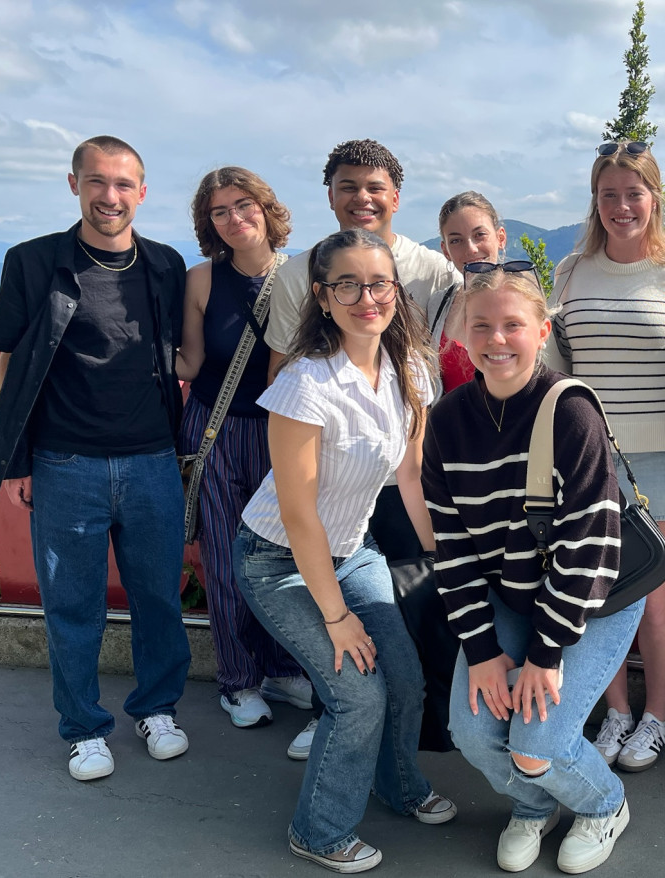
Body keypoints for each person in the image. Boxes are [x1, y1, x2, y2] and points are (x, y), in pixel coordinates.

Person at [234, 229, 455, 873]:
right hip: (278, 560)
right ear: (323, 297)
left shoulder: (411, 369)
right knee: (358, 695)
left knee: (406, 677)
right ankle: (321, 830)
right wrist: (336, 616)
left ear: (397, 290)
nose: (367, 297)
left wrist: (444, 555)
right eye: (348, 285)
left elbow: (411, 479)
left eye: (379, 283)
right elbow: (300, 516)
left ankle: (398, 784)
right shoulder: (305, 384)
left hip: (351, 550)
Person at [0, 135, 191, 781]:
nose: (110, 196)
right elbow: (11, 362)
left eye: (124, 184)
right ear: (74, 185)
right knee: (72, 604)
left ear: (142, 193)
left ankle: (157, 709)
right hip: (65, 461)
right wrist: (14, 459)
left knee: (159, 597)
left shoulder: (164, 265)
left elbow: (180, 351)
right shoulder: (35, 261)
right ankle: (84, 729)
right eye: (97, 181)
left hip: (153, 458)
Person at [423, 266, 642, 874]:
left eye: (513, 325)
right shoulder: (445, 423)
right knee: (471, 729)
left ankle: (604, 803)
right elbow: (454, 547)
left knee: (538, 738)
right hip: (510, 595)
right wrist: (484, 648)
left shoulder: (568, 411)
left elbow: (589, 543)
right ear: (462, 338)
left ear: (541, 331)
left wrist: (545, 656)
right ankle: (535, 802)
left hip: (594, 598)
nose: (497, 339)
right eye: (482, 325)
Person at [264, 139, 458, 757]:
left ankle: (420, 727)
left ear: (396, 197)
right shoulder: (297, 272)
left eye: (375, 188)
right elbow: (280, 366)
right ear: (330, 196)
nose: (362, 198)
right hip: (332, 451)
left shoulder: (430, 270)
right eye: (348, 187)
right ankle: (337, 712)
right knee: (332, 599)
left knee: (414, 592)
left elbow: (469, 341)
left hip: (397, 449)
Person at [552, 140, 665, 772]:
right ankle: (614, 710)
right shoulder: (570, 272)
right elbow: (557, 365)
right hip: (589, 461)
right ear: (595, 201)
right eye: (609, 194)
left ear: (655, 198)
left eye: (633, 193)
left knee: (656, 603)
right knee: (597, 597)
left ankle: (656, 717)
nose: (622, 206)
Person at [174, 167, 311, 729]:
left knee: (286, 556)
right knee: (227, 561)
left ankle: (281, 666)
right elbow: (189, 362)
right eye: (220, 211)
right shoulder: (202, 280)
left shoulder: (301, 275)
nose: (234, 219)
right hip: (217, 430)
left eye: (243, 205)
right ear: (209, 223)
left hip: (286, 429)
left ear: (266, 207)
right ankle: (238, 679)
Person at [430, 190, 511, 393]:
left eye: (479, 235)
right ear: (445, 250)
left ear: (500, 238)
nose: (471, 249)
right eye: (456, 240)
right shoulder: (438, 305)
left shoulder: (523, 301)